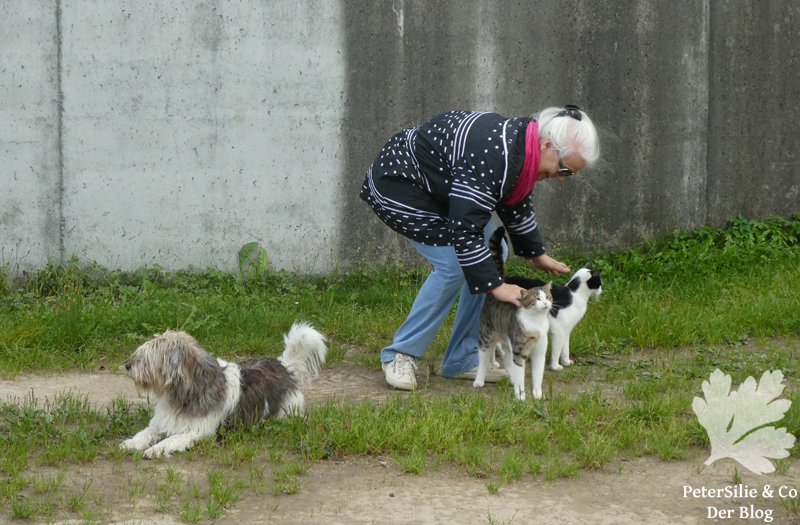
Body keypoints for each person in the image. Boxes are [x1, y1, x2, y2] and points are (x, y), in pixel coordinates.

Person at [360, 106, 600, 390]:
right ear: (547, 145)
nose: (560, 178)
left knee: (494, 249)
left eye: (568, 174)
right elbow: (465, 228)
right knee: (453, 266)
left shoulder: (522, 146)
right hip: (401, 185)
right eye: (563, 170)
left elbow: (514, 198)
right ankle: (400, 353)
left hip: (441, 189)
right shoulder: (496, 152)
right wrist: (495, 285)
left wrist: (535, 252)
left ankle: (462, 357)